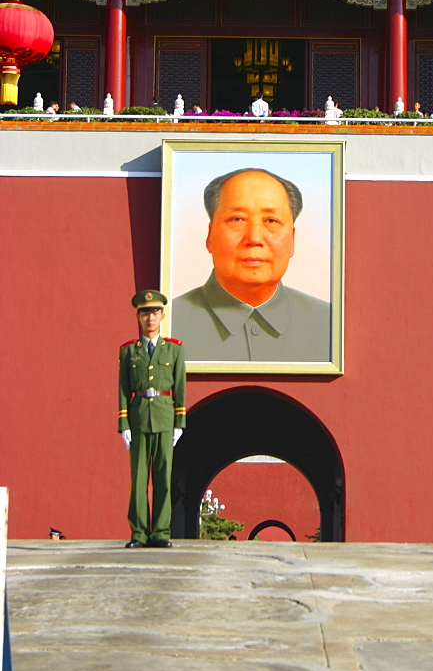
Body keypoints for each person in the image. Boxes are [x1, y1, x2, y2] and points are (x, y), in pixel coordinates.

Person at [172, 169, 331, 362]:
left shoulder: (331, 326)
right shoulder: (168, 323)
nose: (254, 238)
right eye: (237, 219)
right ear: (210, 236)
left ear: (292, 240)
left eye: (271, 221)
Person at [118, 289, 186, 548]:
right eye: (145, 313)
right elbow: (124, 389)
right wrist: (124, 424)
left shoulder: (174, 350)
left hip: (164, 417)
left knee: (162, 478)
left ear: (162, 316)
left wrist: (179, 423)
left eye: (155, 313)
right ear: (138, 317)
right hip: (137, 418)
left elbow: (179, 387)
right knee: (138, 480)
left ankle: (160, 532)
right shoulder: (128, 352)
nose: (150, 318)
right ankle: (138, 533)